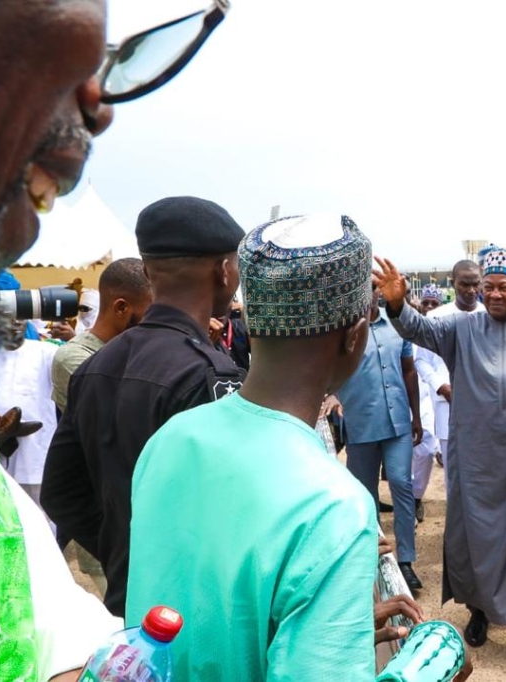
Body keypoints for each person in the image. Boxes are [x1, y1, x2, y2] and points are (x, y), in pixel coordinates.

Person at [0, 0, 229, 674]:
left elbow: (47, 537)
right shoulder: (211, 375)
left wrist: (120, 569)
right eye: (49, 60)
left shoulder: (86, 371)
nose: (100, 109)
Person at [126, 214, 430, 680]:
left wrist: (331, 632)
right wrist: (429, 667)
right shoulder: (334, 506)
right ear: (355, 336)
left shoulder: (172, 439)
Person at [376, 248, 506, 681]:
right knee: (477, 541)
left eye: (503, 288)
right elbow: (417, 329)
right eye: (487, 287)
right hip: (477, 463)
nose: (493, 295)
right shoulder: (461, 327)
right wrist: (396, 303)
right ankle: (480, 611)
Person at [42, 196, 246, 617]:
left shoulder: (95, 366)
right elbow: (233, 514)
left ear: (149, 271)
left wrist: (124, 551)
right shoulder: (210, 374)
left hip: (129, 600)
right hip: (196, 613)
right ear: (225, 271)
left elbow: (61, 495)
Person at [333, 283, 424, 592]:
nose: (367, 294)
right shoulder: (342, 330)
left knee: (401, 483)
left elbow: (409, 370)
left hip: (397, 421)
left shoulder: (396, 325)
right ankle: (373, 559)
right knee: (365, 496)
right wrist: (332, 398)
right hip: (361, 425)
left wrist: (417, 416)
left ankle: (406, 561)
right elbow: (328, 372)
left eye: (372, 288)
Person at [50, 257, 152, 413]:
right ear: (121, 308)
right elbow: (128, 414)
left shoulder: (140, 348)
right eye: (151, 312)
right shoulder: (74, 357)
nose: (157, 319)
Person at [0, 319, 58, 513]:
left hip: (36, 452)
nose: (15, 321)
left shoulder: (47, 352)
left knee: (42, 517)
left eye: (20, 315)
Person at [423, 260, 485, 474]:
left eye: (476, 284)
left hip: (483, 407)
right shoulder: (435, 318)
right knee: (454, 470)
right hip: (447, 405)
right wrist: (441, 386)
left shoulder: (490, 316)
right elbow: (421, 360)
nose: (471, 290)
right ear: (453, 283)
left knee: (481, 468)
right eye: (464, 284)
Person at [411, 283, 445, 521]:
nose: (430, 307)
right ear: (420, 306)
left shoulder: (444, 330)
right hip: (412, 397)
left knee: (426, 448)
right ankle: (408, 499)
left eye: (435, 303)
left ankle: (415, 497)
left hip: (436, 398)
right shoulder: (410, 330)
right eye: (427, 303)